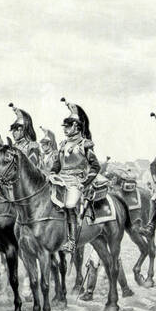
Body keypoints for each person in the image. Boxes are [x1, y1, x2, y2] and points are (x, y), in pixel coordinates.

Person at [50, 98, 99, 255]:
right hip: (60, 179)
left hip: (77, 181)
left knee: (70, 206)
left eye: (68, 126)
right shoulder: (63, 145)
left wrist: (84, 183)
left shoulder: (85, 145)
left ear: (77, 127)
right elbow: (58, 163)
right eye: (64, 126)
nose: (65, 129)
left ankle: (71, 241)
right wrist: (52, 173)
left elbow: (95, 166)